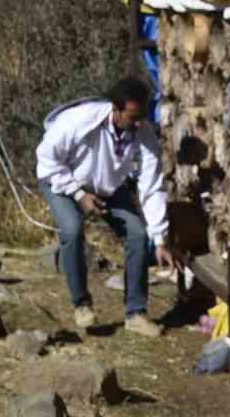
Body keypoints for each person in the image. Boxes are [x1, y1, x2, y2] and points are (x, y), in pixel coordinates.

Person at [36, 77, 173, 336]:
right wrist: (77, 194)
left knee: (137, 234)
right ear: (115, 109)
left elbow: (151, 185)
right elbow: (46, 158)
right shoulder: (78, 121)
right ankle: (81, 304)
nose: (139, 123)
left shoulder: (143, 132)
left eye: (142, 115)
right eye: (132, 117)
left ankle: (136, 313)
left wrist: (159, 238)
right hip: (61, 178)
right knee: (72, 229)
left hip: (108, 185)